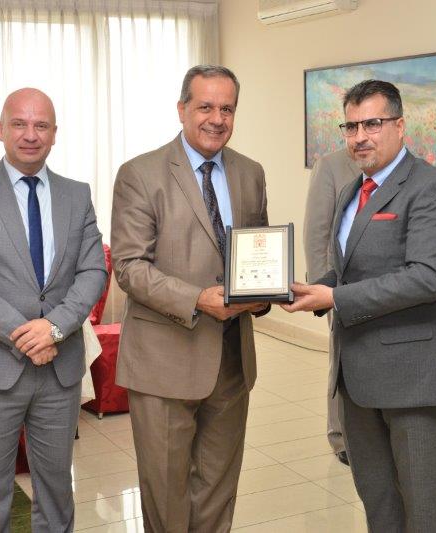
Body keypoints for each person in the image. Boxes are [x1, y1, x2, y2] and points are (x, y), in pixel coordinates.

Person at [282, 79, 436, 533]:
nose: (359, 137)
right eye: (350, 127)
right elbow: (349, 270)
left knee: (423, 513)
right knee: (379, 506)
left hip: (416, 381)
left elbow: (427, 278)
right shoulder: (354, 189)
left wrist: (336, 298)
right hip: (357, 379)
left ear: (400, 125)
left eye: (372, 123)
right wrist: (313, 289)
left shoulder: (434, 188)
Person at [110, 65, 269, 533]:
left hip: (232, 360)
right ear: (182, 109)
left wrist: (264, 295)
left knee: (218, 488)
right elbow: (130, 267)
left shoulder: (250, 173)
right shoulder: (141, 174)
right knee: (166, 491)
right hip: (164, 361)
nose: (217, 119)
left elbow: (257, 252)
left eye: (227, 109)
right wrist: (198, 299)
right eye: (205, 107)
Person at [0, 88, 107, 533]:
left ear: (54, 133)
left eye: (41, 125)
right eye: (19, 123)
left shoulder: (77, 194)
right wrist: (30, 336)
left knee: (56, 491)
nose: (30, 134)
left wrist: (53, 329)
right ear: (0, 130)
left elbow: (93, 271)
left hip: (59, 370)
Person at [303, 149, 359, 466]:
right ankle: (340, 436)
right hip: (337, 285)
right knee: (342, 359)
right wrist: (319, 288)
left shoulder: (396, 164)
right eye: (353, 126)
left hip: (380, 289)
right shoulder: (331, 167)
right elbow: (316, 231)